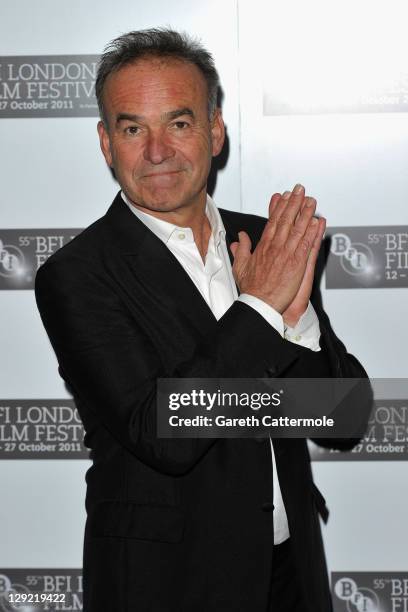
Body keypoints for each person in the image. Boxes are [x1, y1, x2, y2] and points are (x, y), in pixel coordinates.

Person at [35, 28, 370, 612]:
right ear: (105, 142)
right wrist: (262, 310)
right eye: (132, 127)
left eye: (179, 123)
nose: (157, 151)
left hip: (291, 573)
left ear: (215, 131)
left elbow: (343, 417)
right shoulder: (77, 275)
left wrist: (296, 322)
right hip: (168, 583)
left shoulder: (263, 242)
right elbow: (162, 432)